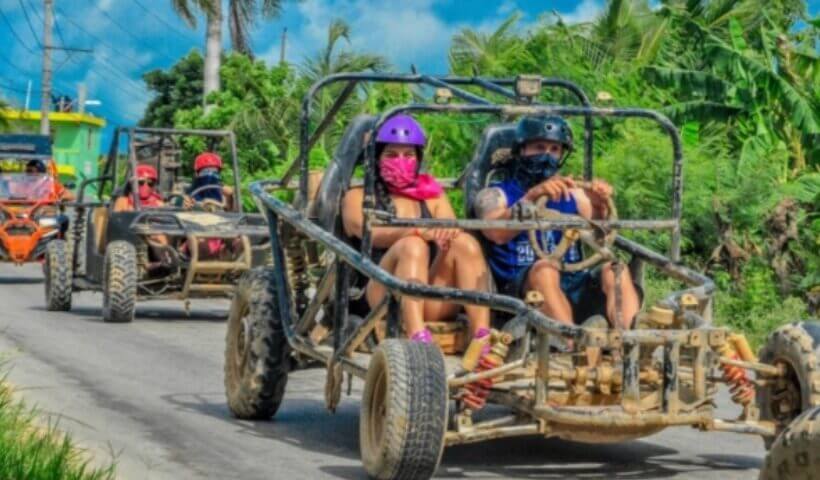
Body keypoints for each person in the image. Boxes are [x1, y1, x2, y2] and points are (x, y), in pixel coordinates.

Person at [474, 115, 640, 330]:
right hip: (522, 288)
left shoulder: (575, 195)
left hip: (573, 280)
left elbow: (602, 236)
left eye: (554, 149)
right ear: (521, 150)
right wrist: (532, 197)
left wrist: (600, 205)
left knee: (616, 269)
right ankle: (572, 344)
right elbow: (496, 232)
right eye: (539, 147)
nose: (546, 155)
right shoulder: (497, 194)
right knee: (545, 268)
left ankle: (628, 344)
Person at [341, 114, 491, 345]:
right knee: (413, 245)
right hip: (381, 297)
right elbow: (370, 234)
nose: (401, 160)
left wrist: (446, 234)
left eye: (408, 155)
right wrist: (417, 231)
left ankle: (482, 336)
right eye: (391, 154)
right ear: (376, 158)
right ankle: (416, 335)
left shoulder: (433, 195)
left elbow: (452, 231)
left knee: (465, 243)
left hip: (428, 296)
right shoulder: (357, 197)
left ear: (418, 158)